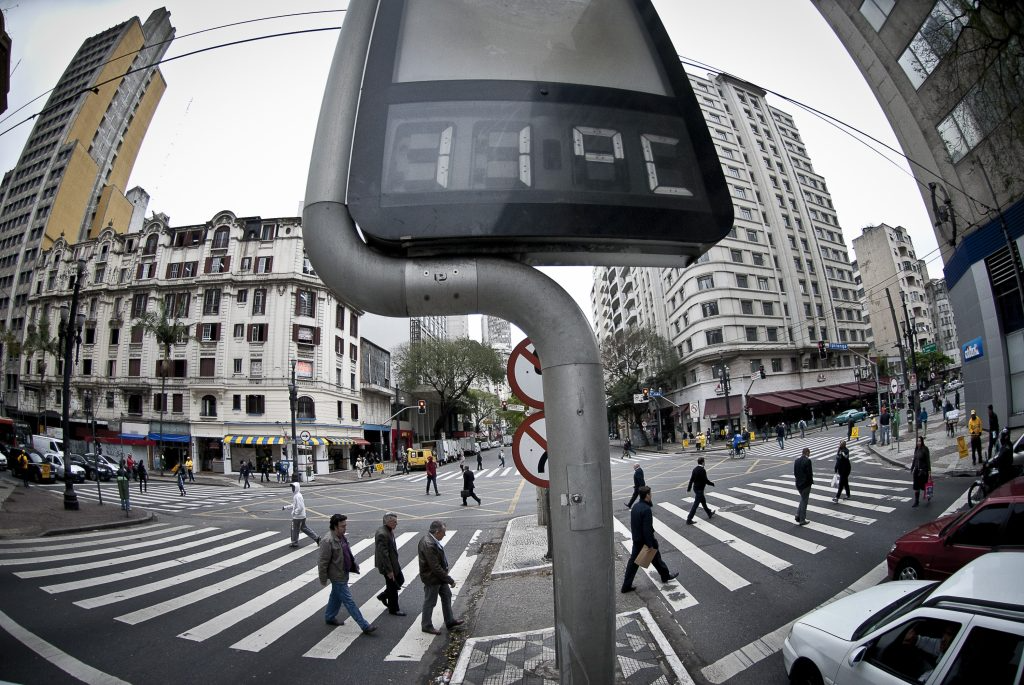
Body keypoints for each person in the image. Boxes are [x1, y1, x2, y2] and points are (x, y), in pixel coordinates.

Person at [318, 514, 376, 634]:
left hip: (344, 572)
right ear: (335, 526)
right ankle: (364, 625)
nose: (345, 528)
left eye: (345, 525)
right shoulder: (327, 540)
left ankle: (329, 617)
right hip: (337, 575)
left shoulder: (342, 537)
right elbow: (323, 562)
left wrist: (353, 564)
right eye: (342, 526)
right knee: (349, 601)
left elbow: (346, 552)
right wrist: (323, 579)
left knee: (335, 596)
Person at [620, 486, 678, 593]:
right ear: (647, 495)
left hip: (637, 539)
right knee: (654, 558)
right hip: (645, 541)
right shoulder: (646, 510)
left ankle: (626, 586)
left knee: (637, 562)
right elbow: (646, 529)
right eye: (650, 493)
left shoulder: (636, 506)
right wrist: (650, 544)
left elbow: (634, 524)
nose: (651, 495)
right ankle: (665, 576)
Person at [418, 520, 464, 635]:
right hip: (432, 578)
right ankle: (426, 625)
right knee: (430, 601)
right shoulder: (429, 544)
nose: (445, 535)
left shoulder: (431, 540)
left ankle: (450, 621)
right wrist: (449, 580)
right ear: (437, 531)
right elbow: (435, 567)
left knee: (447, 595)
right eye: (443, 532)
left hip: (439, 577)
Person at [374, 512, 406, 616]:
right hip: (388, 566)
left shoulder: (388, 530)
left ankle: (384, 595)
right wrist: (389, 571)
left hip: (393, 563)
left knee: (400, 580)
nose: (396, 524)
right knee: (392, 587)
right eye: (394, 522)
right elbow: (384, 555)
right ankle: (394, 609)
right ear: (388, 521)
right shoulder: (382, 534)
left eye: (396, 522)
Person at [282, 483, 321, 547]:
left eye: (293, 487)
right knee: (303, 528)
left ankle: (294, 542)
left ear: (297, 488)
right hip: (301, 516)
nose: (292, 489)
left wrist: (295, 513)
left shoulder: (297, 496)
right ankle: (317, 538)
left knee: (294, 529)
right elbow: (295, 505)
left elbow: (300, 507)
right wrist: (286, 507)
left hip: (298, 517)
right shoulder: (297, 495)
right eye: (292, 487)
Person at [685, 457, 715, 524]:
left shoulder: (695, 469)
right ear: (702, 462)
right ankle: (689, 519)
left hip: (696, 488)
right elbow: (705, 480)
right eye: (704, 461)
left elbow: (691, 480)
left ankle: (709, 513)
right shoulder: (702, 470)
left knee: (703, 502)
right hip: (699, 490)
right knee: (695, 505)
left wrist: (689, 488)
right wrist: (712, 484)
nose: (705, 463)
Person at [794, 447, 813, 525]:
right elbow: (809, 474)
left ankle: (798, 515)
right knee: (804, 501)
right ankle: (802, 520)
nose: (810, 454)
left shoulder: (796, 460)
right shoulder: (808, 461)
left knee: (802, 499)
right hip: (806, 484)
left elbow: (795, 473)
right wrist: (810, 482)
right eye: (809, 452)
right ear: (807, 452)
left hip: (798, 484)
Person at [911, 436, 930, 507]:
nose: (918, 443)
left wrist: (929, 471)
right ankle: (916, 501)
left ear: (922, 442)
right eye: (917, 441)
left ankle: (928, 495)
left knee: (924, 486)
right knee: (916, 486)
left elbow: (928, 461)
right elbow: (914, 459)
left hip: (923, 471)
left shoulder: (925, 449)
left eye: (919, 441)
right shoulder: (916, 449)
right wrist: (912, 468)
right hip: (916, 471)